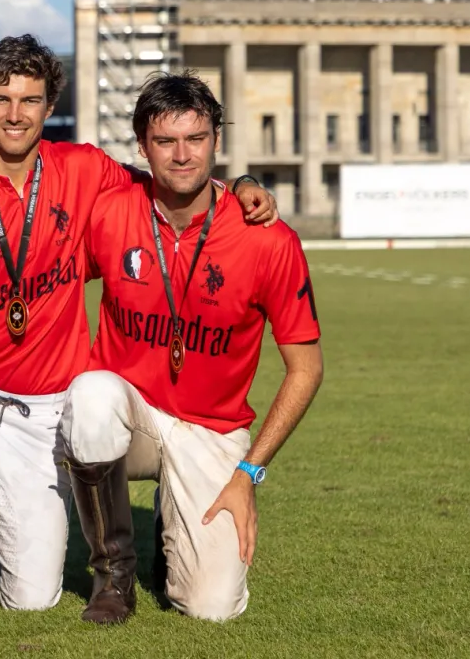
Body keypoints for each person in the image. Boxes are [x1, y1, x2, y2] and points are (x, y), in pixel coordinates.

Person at [0, 35, 279, 613]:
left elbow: (173, 176)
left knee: (30, 600)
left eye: (30, 100)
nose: (15, 114)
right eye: (2, 99)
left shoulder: (85, 169)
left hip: (50, 409)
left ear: (49, 107)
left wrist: (243, 184)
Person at [57, 70, 323, 623]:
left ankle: (171, 516)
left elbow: (306, 369)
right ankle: (113, 575)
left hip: (212, 429)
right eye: (165, 141)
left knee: (211, 608)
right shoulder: (109, 212)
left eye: (196, 138)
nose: (182, 155)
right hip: (132, 417)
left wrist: (249, 474)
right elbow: (44, 281)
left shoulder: (267, 238)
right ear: (142, 146)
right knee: (90, 396)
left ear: (217, 140)